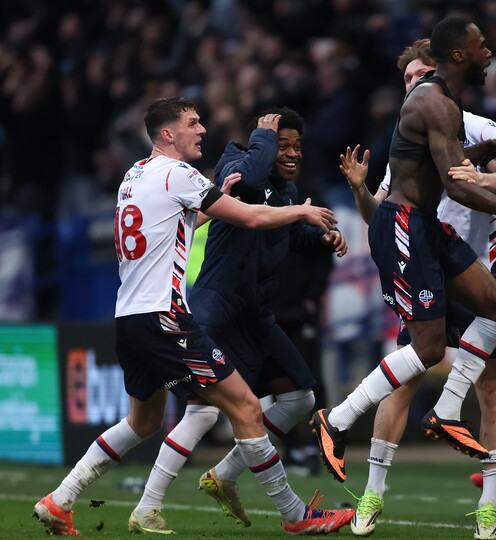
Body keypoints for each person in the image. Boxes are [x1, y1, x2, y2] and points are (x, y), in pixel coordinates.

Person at [32, 97, 353, 536]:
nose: (202, 130)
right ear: (168, 134)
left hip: (130, 316)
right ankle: (297, 517)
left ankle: (61, 499)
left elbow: (175, 222)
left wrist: (210, 205)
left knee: (142, 422)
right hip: (168, 318)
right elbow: (251, 218)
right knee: (244, 406)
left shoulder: (135, 175)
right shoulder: (179, 174)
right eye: (192, 123)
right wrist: (301, 211)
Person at [310, 16, 496, 488]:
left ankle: (445, 410)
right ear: (460, 55)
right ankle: (335, 419)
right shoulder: (436, 103)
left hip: (424, 226)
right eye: (481, 47)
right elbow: (457, 190)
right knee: (428, 348)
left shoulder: (447, 104)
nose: (489, 54)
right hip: (403, 226)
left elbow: (446, 170)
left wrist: (490, 147)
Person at [126, 108, 348, 533]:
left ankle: (224, 475)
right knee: (202, 414)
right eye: (281, 144)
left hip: (256, 316)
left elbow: (288, 235)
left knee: (300, 398)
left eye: (297, 146)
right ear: (259, 141)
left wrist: (321, 238)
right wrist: (262, 139)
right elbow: (244, 185)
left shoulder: (287, 192)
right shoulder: (233, 161)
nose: (291, 153)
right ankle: (148, 504)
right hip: (218, 309)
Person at [338, 36, 496, 539]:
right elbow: (382, 214)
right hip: (425, 265)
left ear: (437, 70)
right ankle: (371, 496)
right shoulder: (409, 134)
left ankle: (487, 507)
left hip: (478, 264)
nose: (413, 86)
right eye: (406, 81)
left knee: (493, 389)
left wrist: (470, 177)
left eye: (419, 75)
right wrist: (358, 187)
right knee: (407, 378)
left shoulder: (475, 124)